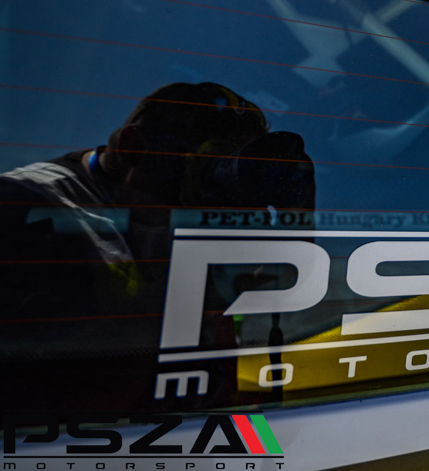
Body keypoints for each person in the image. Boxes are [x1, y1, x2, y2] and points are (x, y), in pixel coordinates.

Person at [0, 82, 315, 412]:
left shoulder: (186, 210)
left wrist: (297, 217)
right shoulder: (27, 207)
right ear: (133, 146)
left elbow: (276, 290)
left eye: (235, 164)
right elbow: (54, 385)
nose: (220, 183)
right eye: (207, 161)